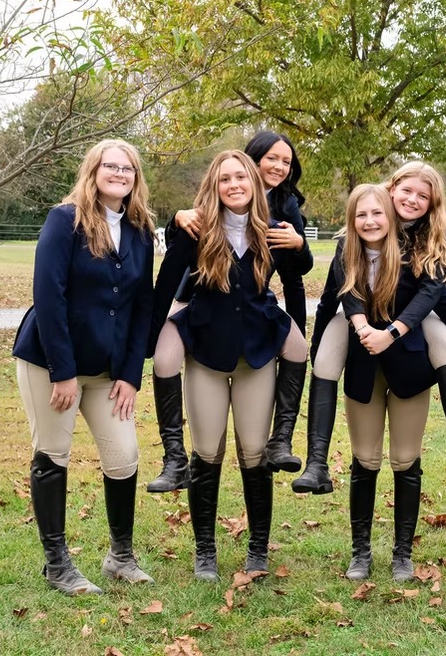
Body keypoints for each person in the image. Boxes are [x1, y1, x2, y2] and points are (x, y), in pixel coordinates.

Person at [151, 150, 312, 581]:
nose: (234, 185)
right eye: (225, 179)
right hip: (206, 349)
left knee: (254, 452)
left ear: (254, 182)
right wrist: (148, 337)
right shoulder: (197, 228)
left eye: (241, 176)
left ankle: (258, 548)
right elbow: (166, 284)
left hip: (255, 352)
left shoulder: (272, 230)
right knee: (207, 451)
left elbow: (299, 272)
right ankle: (205, 550)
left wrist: (301, 244)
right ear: (214, 186)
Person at [293, 161, 446, 495]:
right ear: (392, 187)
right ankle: (316, 463)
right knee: (326, 354)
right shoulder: (364, 226)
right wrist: (326, 338)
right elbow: (337, 292)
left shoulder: (433, 237)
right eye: (407, 190)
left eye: (422, 196)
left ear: (433, 203)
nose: (412, 199)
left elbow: (434, 297)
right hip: (363, 322)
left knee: (443, 341)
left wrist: (403, 334)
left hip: (418, 318)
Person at [13, 139, 156, 595]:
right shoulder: (65, 220)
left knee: (124, 455)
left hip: (109, 369)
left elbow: (143, 307)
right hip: (51, 362)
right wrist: (62, 371)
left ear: (136, 177)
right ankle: (57, 564)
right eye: (110, 166)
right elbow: (48, 295)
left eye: (127, 168)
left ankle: (121, 556)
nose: (119, 173)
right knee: (53, 453)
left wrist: (131, 375)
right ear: (93, 171)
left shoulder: (141, 230)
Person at [326, 184, 436, 581]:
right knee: (365, 458)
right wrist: (359, 332)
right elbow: (342, 299)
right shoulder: (345, 252)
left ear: (390, 216)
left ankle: (402, 553)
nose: (370, 221)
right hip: (363, 366)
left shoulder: (414, 253)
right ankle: (361, 551)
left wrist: (390, 333)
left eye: (377, 213)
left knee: (405, 459)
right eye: (362, 215)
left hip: (408, 365)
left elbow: (431, 296)